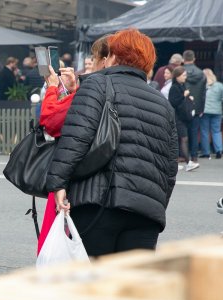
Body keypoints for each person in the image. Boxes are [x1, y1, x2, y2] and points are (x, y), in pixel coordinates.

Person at [46, 28, 178, 257]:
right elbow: (169, 166)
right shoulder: (162, 103)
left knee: (96, 282)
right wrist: (157, 204)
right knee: (131, 286)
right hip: (146, 212)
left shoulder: (96, 84)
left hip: (99, 202)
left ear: (114, 56)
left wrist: (58, 183)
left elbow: (77, 137)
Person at [36, 35, 108, 254]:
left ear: (107, 60)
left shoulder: (93, 90)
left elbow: (51, 121)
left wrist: (52, 88)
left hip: (84, 181)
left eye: (93, 60)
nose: (89, 66)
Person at [168, 66, 197, 171]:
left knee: (179, 139)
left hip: (183, 116)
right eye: (183, 75)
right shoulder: (174, 87)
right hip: (177, 117)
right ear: (177, 76)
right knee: (183, 138)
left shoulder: (182, 85)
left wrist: (188, 98)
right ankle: (188, 162)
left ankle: (178, 162)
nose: (185, 77)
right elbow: (173, 102)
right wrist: (184, 96)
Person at [182, 50, 206, 166]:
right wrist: (201, 108)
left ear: (183, 59)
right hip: (196, 107)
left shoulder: (180, 73)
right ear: (194, 59)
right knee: (194, 132)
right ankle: (194, 156)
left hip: (182, 107)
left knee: (182, 132)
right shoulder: (201, 73)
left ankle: (183, 155)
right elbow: (202, 94)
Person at [201, 68, 223, 159]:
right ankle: (219, 150)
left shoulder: (202, 85)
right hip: (217, 111)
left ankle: (206, 152)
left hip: (205, 111)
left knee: (204, 131)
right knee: (216, 131)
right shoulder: (220, 85)